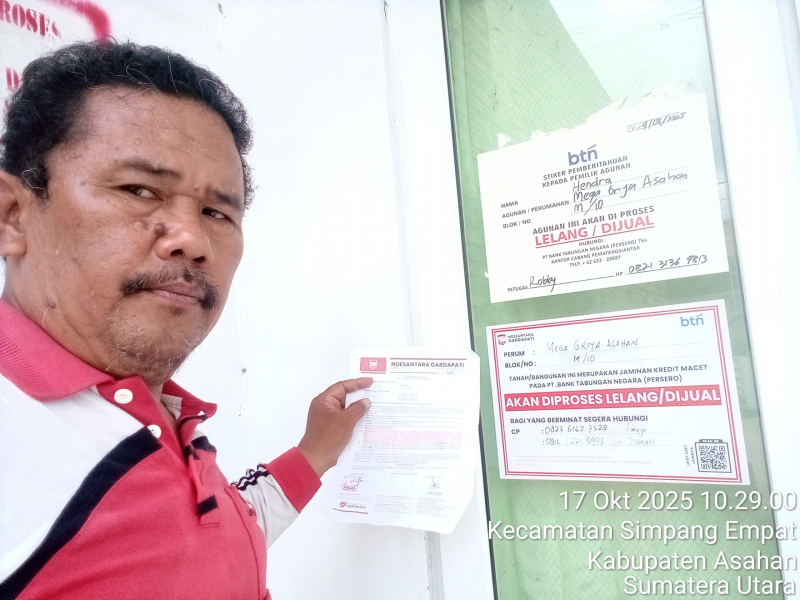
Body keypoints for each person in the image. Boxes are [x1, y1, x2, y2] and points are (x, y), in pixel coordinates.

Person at [0, 40, 371, 600]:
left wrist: (313, 453)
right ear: (12, 215)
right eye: (139, 190)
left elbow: (217, 540)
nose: (193, 240)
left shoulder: (157, 413)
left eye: (216, 212)